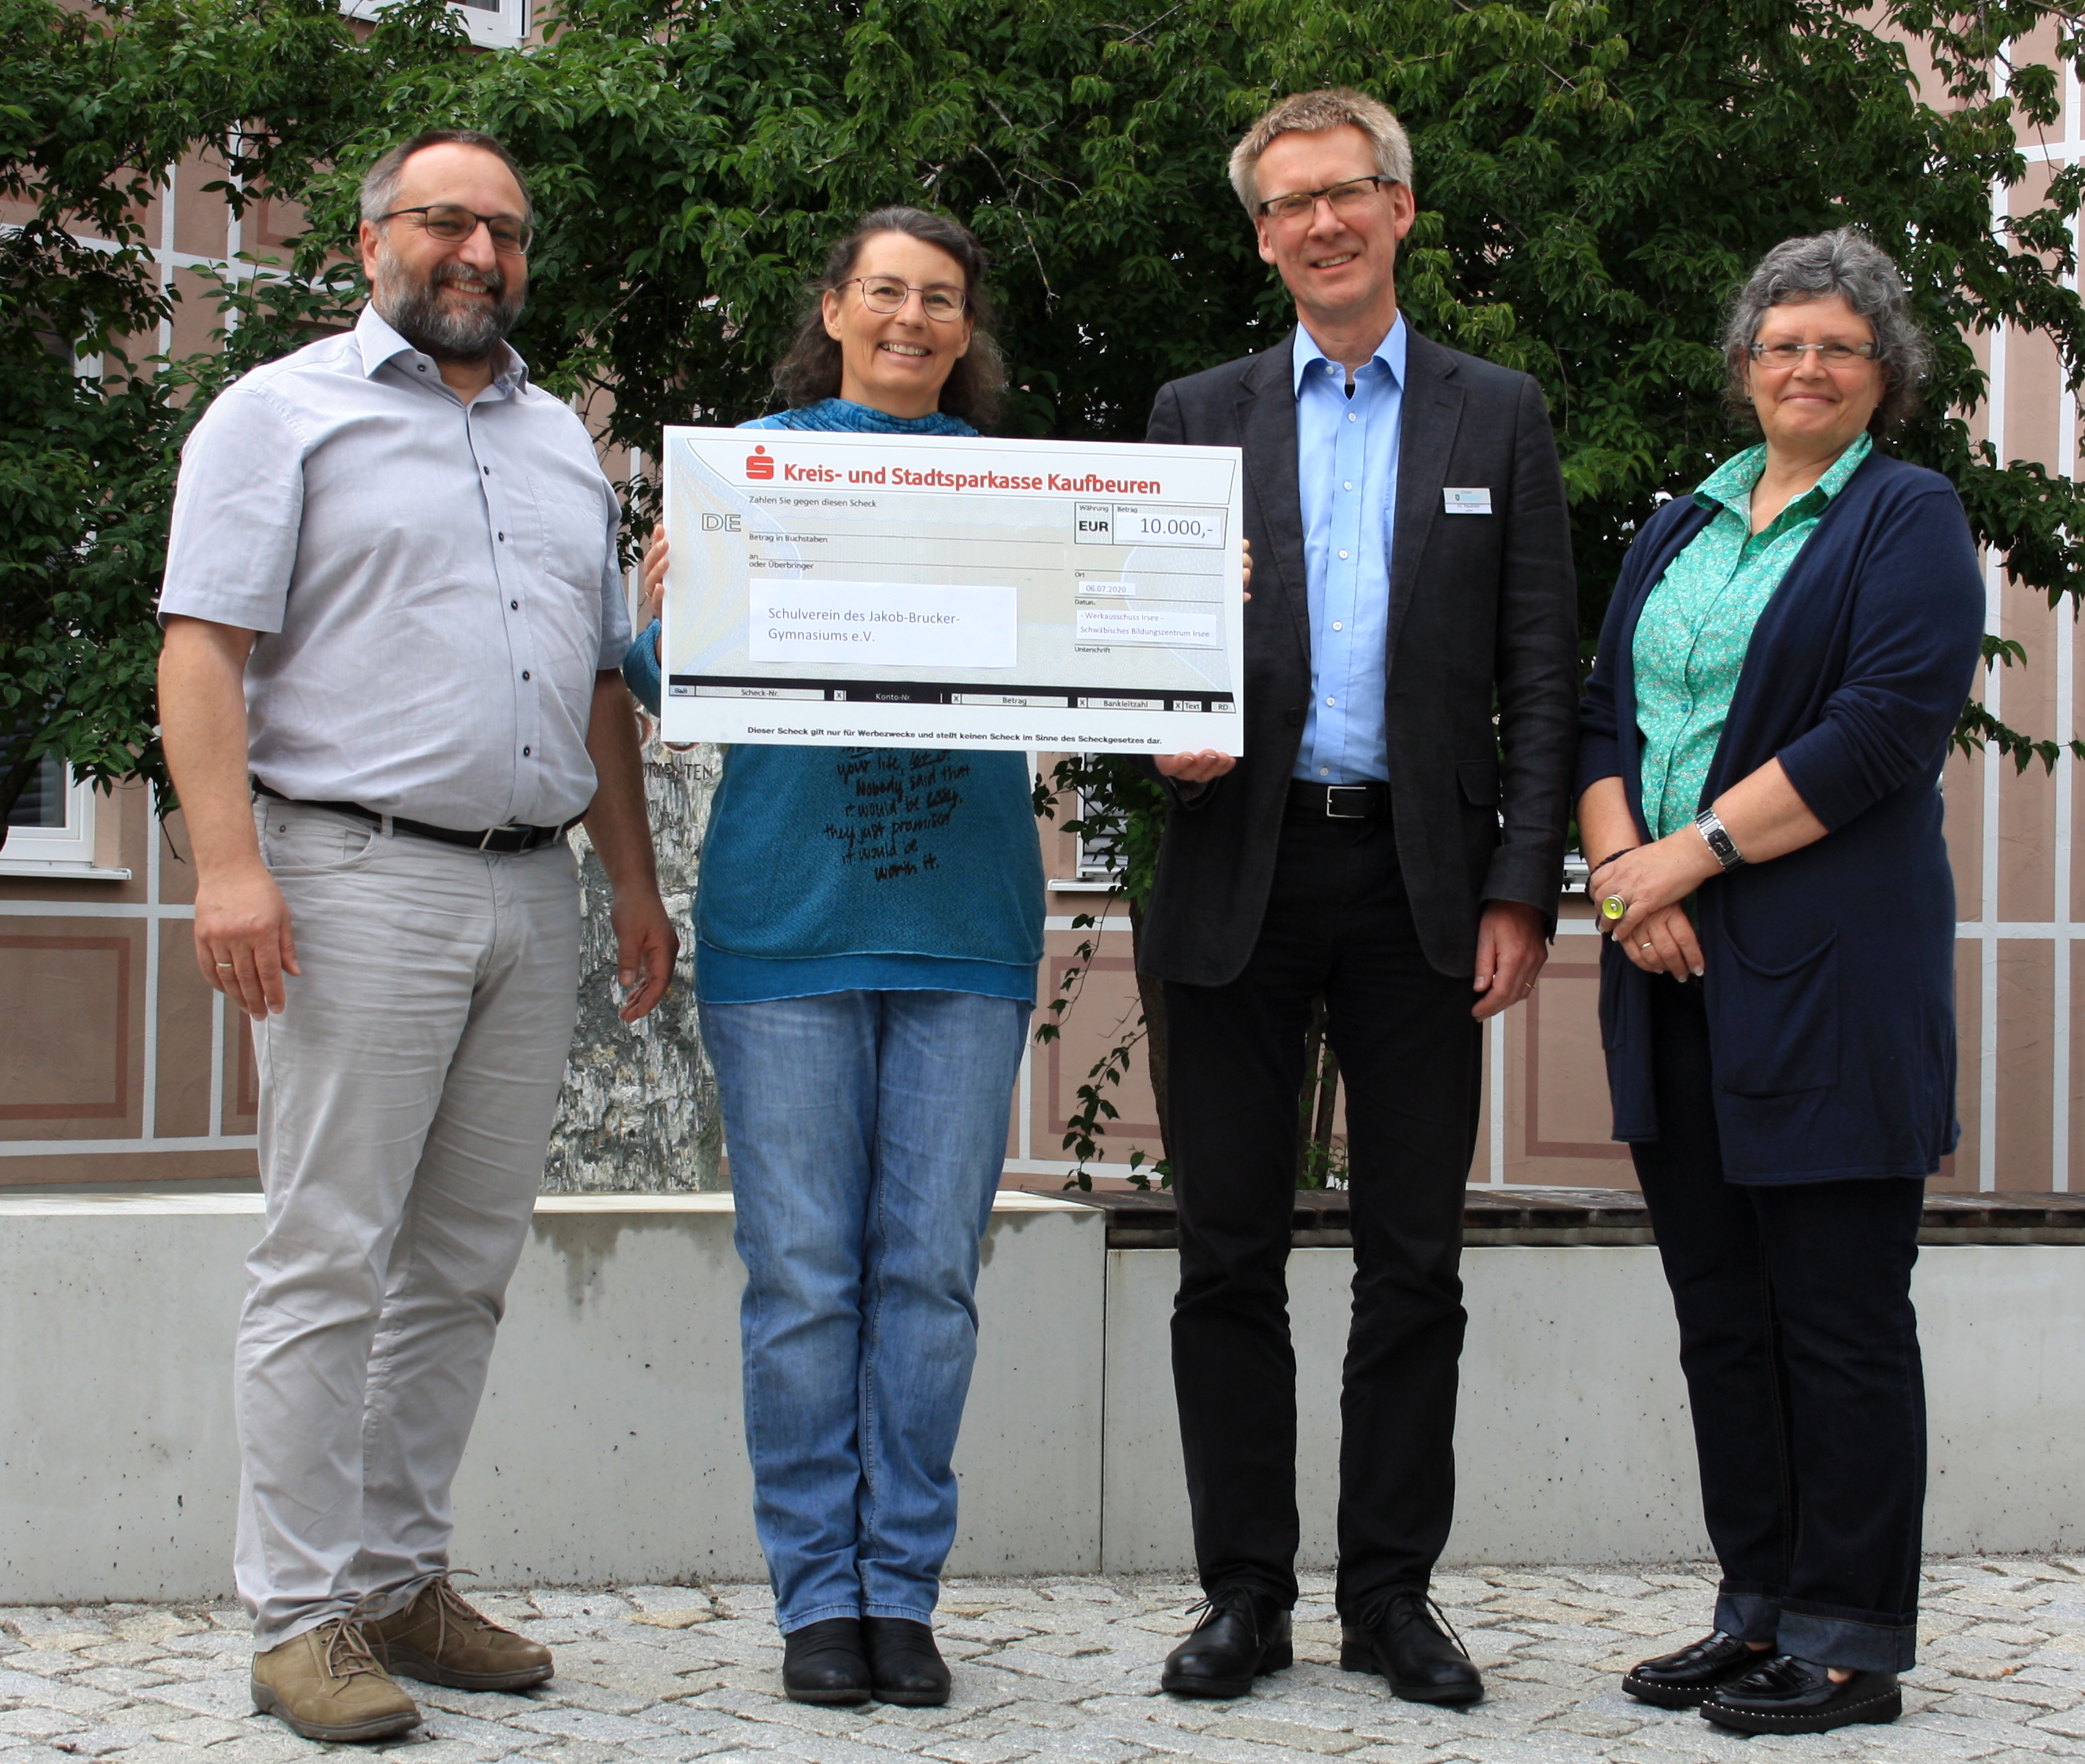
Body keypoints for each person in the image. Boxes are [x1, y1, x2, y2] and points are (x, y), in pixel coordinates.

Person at [157, 128, 677, 1744]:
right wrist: (228, 870)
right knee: (328, 1253)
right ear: (373, 238)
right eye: (446, 220)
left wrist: (636, 879)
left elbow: (600, 681)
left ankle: (396, 1575)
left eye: (505, 231)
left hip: (531, 883)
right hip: (350, 874)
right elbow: (201, 649)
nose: (477, 252)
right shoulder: (278, 413)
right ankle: (300, 1611)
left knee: (459, 1261)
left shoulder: (553, 445)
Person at [1135, 89, 1580, 1704]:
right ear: (1259, 234)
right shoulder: (1193, 411)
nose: (1320, 221)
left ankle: (1390, 1594)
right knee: (1222, 1256)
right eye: (1288, 201)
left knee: (1414, 1261)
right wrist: (1158, 737)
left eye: (1348, 192)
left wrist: (1523, 886)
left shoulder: (1492, 412)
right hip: (1231, 866)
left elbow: (1541, 666)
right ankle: (1241, 1592)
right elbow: (1132, 644)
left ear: (1400, 208)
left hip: (1423, 885)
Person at [621, 207, 1045, 1710]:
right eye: (887, 292)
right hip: (785, 928)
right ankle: (816, 1595)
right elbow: (672, 690)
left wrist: (1186, 605)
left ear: (964, 326)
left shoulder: (1028, 491)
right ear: (836, 308)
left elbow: (1123, 650)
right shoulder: (754, 467)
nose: (913, 316)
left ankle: (899, 1593)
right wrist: (659, 612)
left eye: (941, 297)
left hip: (969, 927)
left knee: (928, 1277)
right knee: (801, 1277)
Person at [1575, 229, 1984, 1736]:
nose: (1804, 366)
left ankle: (1849, 1636)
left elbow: (1881, 730)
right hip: (1666, 962)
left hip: (1826, 977)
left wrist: (1684, 861)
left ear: (1884, 378)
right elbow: (1597, 721)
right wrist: (1628, 886)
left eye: (1838, 347)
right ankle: (1755, 1608)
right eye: (1780, 342)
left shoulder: (1906, 516)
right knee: (1721, 1315)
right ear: (1744, 362)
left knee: (1836, 1313)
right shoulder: (1678, 523)